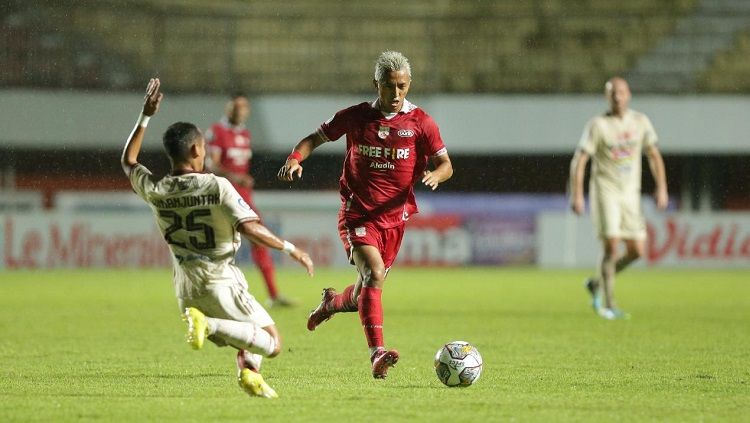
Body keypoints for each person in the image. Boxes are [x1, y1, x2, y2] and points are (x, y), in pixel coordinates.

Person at [121, 78, 314, 398]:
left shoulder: (157, 190)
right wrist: (290, 248)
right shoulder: (216, 186)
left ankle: (249, 374)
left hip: (184, 286)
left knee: (249, 333)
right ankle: (208, 325)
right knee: (273, 341)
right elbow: (249, 227)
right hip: (220, 279)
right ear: (197, 149)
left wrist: (145, 116)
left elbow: (128, 161)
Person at [277, 51, 453, 378]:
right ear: (377, 84)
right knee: (373, 272)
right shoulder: (356, 117)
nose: (397, 94)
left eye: (402, 86)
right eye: (389, 87)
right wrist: (295, 158)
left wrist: (436, 175)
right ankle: (377, 353)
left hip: (395, 220)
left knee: (361, 295)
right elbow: (314, 138)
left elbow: (446, 164)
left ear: (409, 84)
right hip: (357, 213)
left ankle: (331, 303)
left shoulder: (422, 123)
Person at [569, 76, 668, 320]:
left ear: (629, 94)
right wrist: (577, 193)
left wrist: (662, 187)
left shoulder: (640, 122)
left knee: (636, 251)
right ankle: (609, 304)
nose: (617, 97)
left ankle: (595, 283)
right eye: (613, 93)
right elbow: (580, 160)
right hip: (606, 190)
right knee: (612, 246)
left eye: (621, 92)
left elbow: (654, 155)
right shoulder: (598, 125)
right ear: (607, 97)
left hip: (630, 194)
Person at [205, 93, 295, 308]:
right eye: (236, 107)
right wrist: (236, 177)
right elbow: (212, 164)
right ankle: (212, 293)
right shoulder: (217, 132)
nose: (239, 111)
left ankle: (273, 295)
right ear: (228, 109)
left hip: (244, 198)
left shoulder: (245, 133)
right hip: (224, 196)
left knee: (257, 241)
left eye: (244, 107)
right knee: (223, 245)